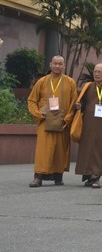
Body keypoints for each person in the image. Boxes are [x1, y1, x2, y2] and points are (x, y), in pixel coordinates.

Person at [27, 55, 78, 187]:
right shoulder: (42, 81)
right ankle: (38, 177)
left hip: (62, 123)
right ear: (50, 65)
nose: (57, 66)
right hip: (45, 122)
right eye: (55, 63)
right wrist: (38, 114)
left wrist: (68, 118)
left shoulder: (70, 82)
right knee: (43, 150)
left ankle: (58, 176)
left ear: (64, 66)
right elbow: (32, 100)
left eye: (60, 64)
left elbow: (74, 103)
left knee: (60, 150)